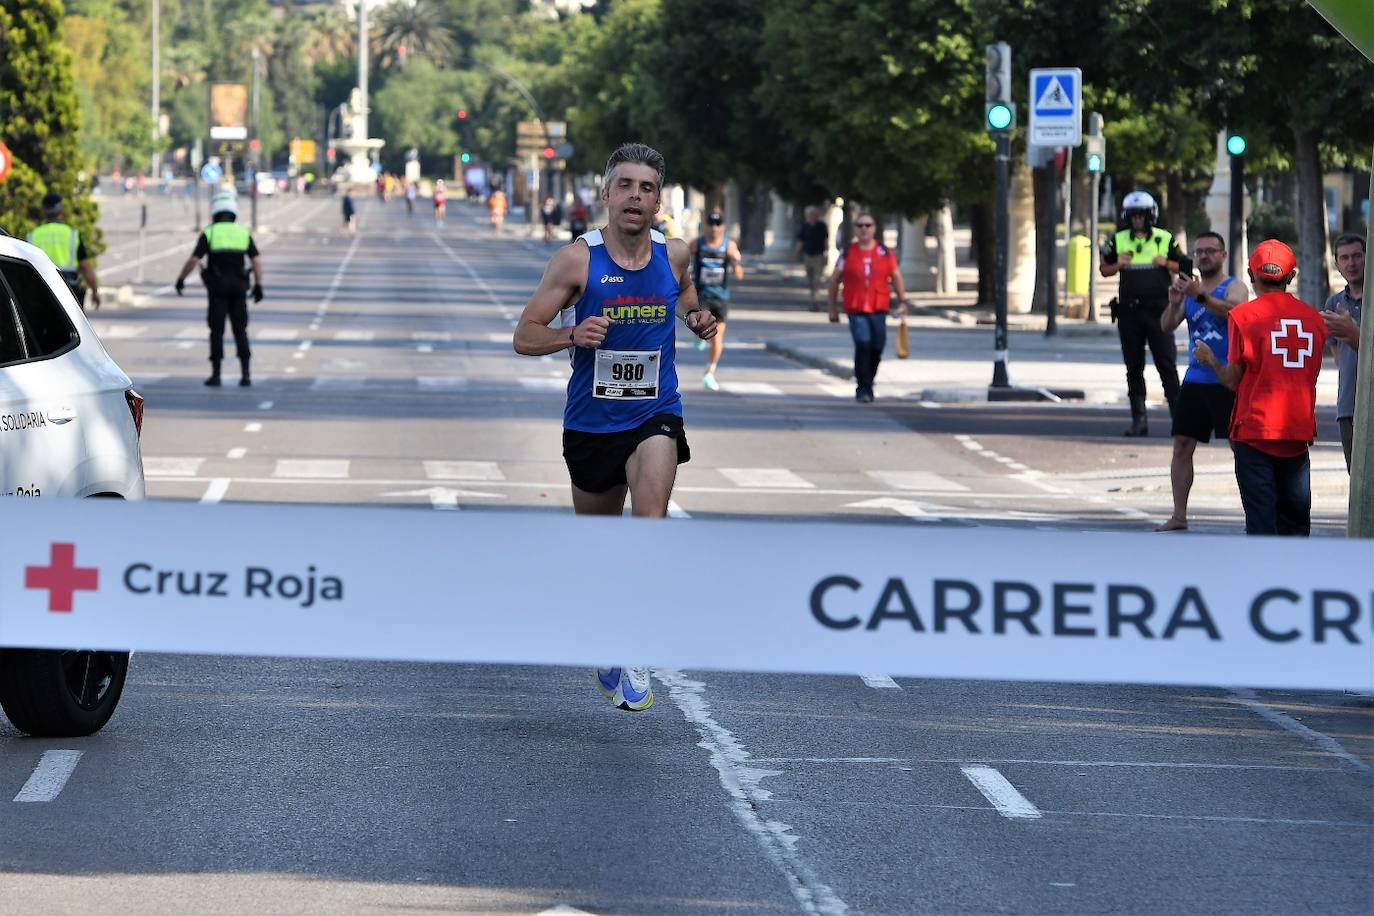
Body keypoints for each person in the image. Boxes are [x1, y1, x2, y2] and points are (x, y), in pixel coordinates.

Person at [512, 142, 716, 712]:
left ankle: (636, 642)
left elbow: (686, 297)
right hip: (592, 421)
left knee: (648, 525)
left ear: (658, 200)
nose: (635, 196)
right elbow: (524, 333)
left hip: (655, 412)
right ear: (606, 194)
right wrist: (570, 336)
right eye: (625, 185)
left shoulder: (672, 255)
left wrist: (696, 318)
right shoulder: (576, 261)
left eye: (646, 188)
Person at [1194, 240, 1328, 537]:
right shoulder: (1315, 321)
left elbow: (1231, 379)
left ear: (1251, 275)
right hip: (1297, 432)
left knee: (1261, 525)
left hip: (1255, 430)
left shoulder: (1242, 317)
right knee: (1295, 528)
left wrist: (1209, 359)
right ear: (1291, 276)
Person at [1155, 232, 1249, 531]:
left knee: (1241, 448)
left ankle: (1255, 514)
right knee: (1181, 446)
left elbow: (1236, 312)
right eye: (1199, 252)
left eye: (1210, 251)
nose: (1204, 256)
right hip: (1195, 379)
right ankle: (1179, 515)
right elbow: (1167, 326)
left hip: (1227, 379)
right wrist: (1173, 303)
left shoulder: (1233, 287)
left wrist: (1200, 296)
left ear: (1222, 255)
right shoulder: (1189, 289)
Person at [1099, 191, 1184, 436]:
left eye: (1142, 215)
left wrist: (1166, 263)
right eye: (1133, 216)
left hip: (1159, 311)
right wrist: (1118, 265)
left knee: (1166, 365)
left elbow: (1184, 265)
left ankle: (1179, 423)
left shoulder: (1164, 239)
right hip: (1130, 312)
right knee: (1133, 367)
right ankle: (1139, 422)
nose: (1137, 220)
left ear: (1151, 216)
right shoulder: (1118, 239)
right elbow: (1104, 269)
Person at [173, 190, 263, 388]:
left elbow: (194, 259)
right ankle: (246, 374)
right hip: (239, 288)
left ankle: (216, 374)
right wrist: (258, 285)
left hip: (218, 290)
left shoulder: (210, 233)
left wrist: (181, 279)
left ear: (214, 212)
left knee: (217, 331)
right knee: (241, 330)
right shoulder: (242, 232)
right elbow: (256, 260)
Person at [827, 212, 906, 402]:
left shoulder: (884, 252)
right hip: (856, 307)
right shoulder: (848, 252)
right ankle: (863, 387)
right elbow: (835, 280)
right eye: (860, 225)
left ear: (874, 228)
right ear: (855, 228)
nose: (864, 229)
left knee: (877, 346)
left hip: (879, 306)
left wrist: (902, 301)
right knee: (863, 343)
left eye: (868, 225)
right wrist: (832, 309)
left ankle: (869, 379)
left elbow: (895, 277)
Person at [1322, 233, 1363, 473]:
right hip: (1347, 405)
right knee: (1356, 476)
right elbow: (1337, 353)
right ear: (1337, 265)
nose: (1351, 263)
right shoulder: (1334, 303)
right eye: (1345, 258)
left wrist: (1354, 334)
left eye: (1357, 256)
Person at [690, 211, 744, 391]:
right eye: (711, 224)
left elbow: (739, 275)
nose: (714, 227)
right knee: (704, 328)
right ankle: (699, 334)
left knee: (717, 338)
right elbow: (681, 261)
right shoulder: (697, 244)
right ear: (706, 226)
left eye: (717, 224)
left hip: (721, 298)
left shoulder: (729, 245)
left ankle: (709, 373)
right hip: (701, 295)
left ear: (723, 226)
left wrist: (736, 261)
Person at [26, 193, 101, 311]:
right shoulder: (71, 234)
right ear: (60, 210)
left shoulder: (34, 235)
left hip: (41, 290)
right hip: (68, 289)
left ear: (44, 212)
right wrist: (94, 291)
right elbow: (85, 266)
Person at [794, 206, 829, 310]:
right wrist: (796, 253)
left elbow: (825, 240)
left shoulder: (822, 226)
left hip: (818, 255)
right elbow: (801, 241)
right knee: (810, 280)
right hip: (807, 255)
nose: (812, 216)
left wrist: (826, 253)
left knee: (817, 279)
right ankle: (812, 299)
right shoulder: (805, 226)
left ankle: (816, 302)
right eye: (810, 215)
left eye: (813, 214)